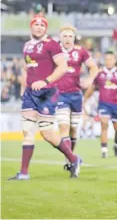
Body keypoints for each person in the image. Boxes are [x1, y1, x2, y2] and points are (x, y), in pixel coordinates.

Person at [9, 14, 82, 181]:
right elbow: (27, 69)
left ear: (46, 28)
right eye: (36, 24)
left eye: (43, 25)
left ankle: (74, 159)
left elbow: (63, 67)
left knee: (47, 133)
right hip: (30, 94)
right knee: (27, 131)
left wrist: (45, 81)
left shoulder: (52, 44)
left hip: (48, 93)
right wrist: (22, 87)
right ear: (31, 26)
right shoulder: (27, 46)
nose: (39, 27)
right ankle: (24, 173)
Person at [55, 25, 98, 163]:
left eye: (70, 36)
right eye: (65, 36)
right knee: (63, 126)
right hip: (59, 94)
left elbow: (93, 67)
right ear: (60, 38)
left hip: (76, 95)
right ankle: (71, 160)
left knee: (73, 129)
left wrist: (90, 79)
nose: (67, 39)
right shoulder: (54, 51)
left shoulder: (81, 51)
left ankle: (70, 157)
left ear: (74, 38)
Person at [83, 51, 117, 158]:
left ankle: (116, 145)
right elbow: (92, 88)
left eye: (110, 59)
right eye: (106, 59)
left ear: (115, 60)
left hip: (116, 105)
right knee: (104, 125)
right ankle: (104, 150)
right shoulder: (99, 73)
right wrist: (84, 99)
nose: (108, 62)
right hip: (103, 104)